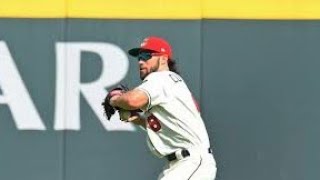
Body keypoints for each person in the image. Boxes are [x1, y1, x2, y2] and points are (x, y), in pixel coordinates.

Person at [108, 36, 217, 180]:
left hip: (192, 162)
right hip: (183, 165)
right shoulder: (168, 84)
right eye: (139, 57)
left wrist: (114, 100)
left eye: (147, 56)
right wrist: (138, 120)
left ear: (163, 59)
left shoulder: (161, 78)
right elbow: (166, 127)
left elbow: (132, 100)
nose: (141, 61)